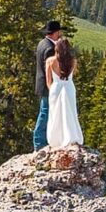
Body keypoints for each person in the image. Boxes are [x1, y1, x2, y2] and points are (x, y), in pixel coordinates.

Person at [46, 37, 83, 148]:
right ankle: (71, 136)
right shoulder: (73, 61)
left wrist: (52, 91)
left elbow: (48, 81)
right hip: (69, 87)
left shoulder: (50, 61)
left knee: (55, 115)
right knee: (70, 113)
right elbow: (71, 76)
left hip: (56, 87)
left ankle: (55, 139)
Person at [33, 20, 61, 150]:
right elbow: (50, 69)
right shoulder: (50, 48)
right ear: (55, 33)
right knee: (45, 112)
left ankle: (41, 141)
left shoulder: (41, 43)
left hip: (41, 83)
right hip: (47, 85)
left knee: (44, 111)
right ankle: (39, 142)